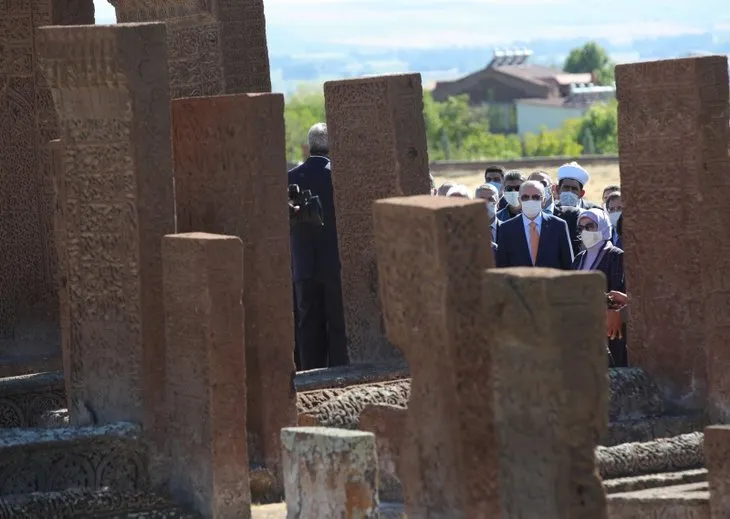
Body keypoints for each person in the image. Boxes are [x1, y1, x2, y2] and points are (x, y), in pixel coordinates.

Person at [288, 122, 349, 370]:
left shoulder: (291, 177)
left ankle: (310, 374)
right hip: (335, 262)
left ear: (309, 147)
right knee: (337, 322)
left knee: (308, 323)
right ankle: (339, 371)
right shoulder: (339, 176)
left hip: (303, 264)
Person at [572, 208, 627, 366]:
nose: (585, 231)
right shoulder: (579, 258)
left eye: (590, 226)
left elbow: (618, 292)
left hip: (608, 329)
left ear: (603, 226)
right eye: (581, 228)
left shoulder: (616, 255)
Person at [496, 180, 574, 269]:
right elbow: (501, 266)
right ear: (519, 200)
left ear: (544, 201)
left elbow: (568, 265)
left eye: (536, 197)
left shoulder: (558, 226)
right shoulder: (506, 228)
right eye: (525, 197)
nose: (530, 201)